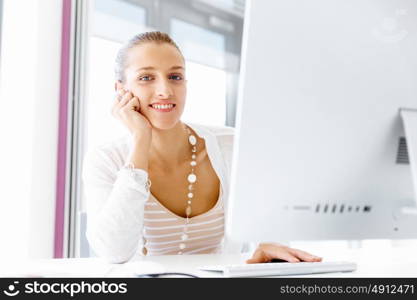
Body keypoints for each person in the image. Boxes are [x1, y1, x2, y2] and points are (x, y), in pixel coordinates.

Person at [82, 31, 323, 264]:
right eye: (146, 78)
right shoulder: (105, 160)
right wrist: (141, 140)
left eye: (175, 77)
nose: (165, 91)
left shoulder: (231, 146)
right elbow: (114, 252)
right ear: (121, 90)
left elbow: (271, 231)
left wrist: (268, 246)